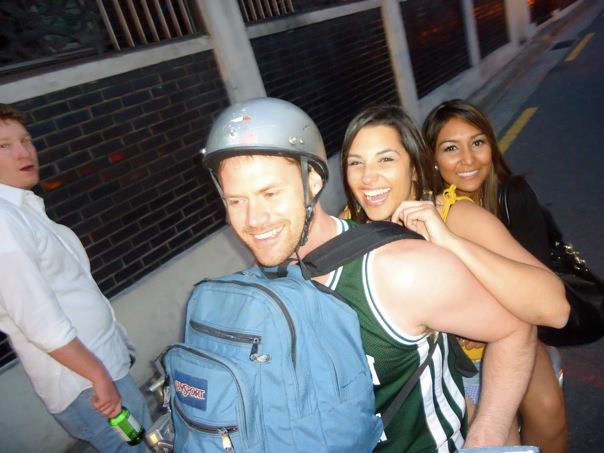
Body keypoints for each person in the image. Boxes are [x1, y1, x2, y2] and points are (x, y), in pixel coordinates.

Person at [202, 97, 537, 452]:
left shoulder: (399, 269)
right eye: (236, 201)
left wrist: (485, 436)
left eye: (270, 193)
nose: (253, 219)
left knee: (546, 413)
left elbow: (515, 330)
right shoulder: (261, 288)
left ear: (312, 180)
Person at [0, 104, 151, 451]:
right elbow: (39, 321)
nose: (23, 152)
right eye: (4, 146)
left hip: (101, 368)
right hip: (84, 383)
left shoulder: (22, 210)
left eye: (26, 140)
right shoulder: (4, 222)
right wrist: (97, 374)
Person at [422, 99, 569, 452]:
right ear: (433, 159)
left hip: (517, 326)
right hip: (457, 344)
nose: (468, 160)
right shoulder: (429, 209)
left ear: (491, 145)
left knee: (549, 413)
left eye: (477, 143)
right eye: (451, 148)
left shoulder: (512, 195)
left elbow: (537, 293)